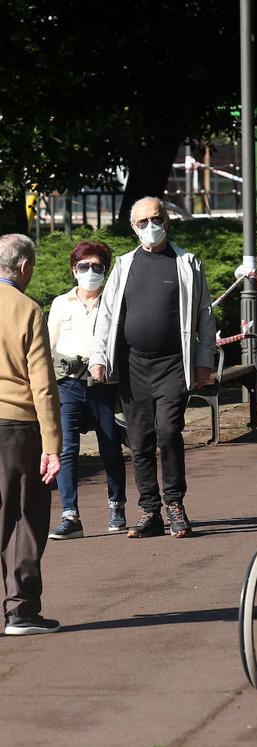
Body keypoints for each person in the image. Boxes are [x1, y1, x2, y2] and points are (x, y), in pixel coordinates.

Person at [89, 197, 215, 539]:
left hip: (174, 364)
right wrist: (99, 356)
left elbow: (204, 314)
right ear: (133, 227)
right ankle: (150, 511)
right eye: (142, 222)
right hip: (133, 365)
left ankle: (174, 504)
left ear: (167, 220)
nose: (150, 226)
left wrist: (205, 361)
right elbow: (108, 315)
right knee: (140, 439)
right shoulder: (124, 264)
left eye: (155, 219)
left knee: (168, 431)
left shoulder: (187, 263)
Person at [0, 234, 62, 634]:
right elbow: (42, 385)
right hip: (17, 426)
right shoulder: (27, 310)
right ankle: (21, 610)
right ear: (24, 268)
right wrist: (53, 445)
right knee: (23, 515)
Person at [47, 241, 128, 539]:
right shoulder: (60, 303)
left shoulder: (115, 302)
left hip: (104, 384)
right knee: (67, 450)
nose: (90, 272)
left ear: (105, 271)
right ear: (74, 270)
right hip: (68, 384)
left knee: (110, 446)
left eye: (97, 267)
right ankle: (70, 515)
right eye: (84, 266)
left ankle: (116, 505)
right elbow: (47, 345)